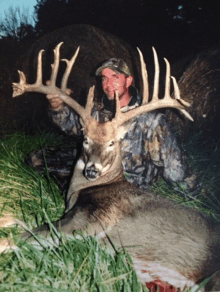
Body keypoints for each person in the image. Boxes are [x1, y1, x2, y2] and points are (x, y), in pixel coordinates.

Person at [27, 58, 198, 195]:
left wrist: (190, 192)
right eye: (104, 79)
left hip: (125, 179)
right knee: (35, 158)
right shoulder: (95, 111)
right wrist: (57, 107)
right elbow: (70, 126)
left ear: (128, 80)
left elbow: (174, 166)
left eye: (115, 78)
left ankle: (72, 184)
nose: (109, 84)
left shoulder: (149, 120)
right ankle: (70, 181)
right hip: (93, 159)